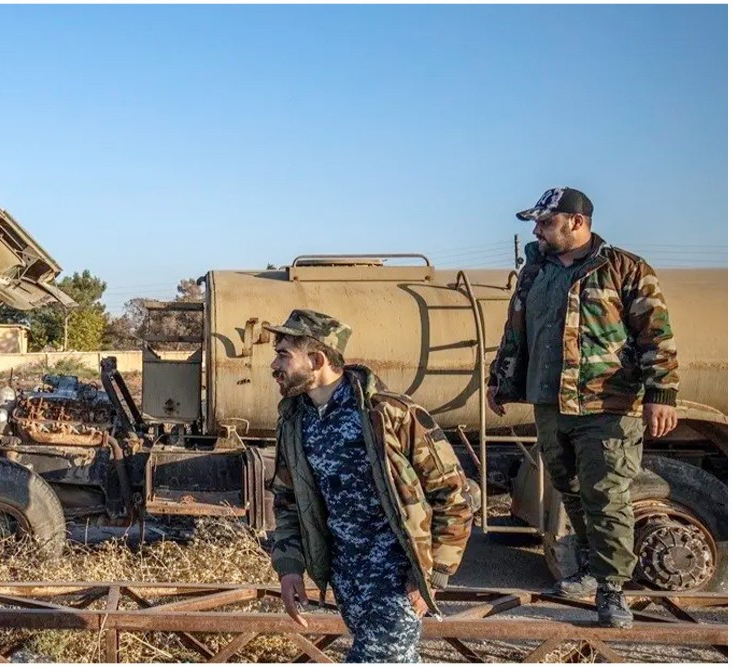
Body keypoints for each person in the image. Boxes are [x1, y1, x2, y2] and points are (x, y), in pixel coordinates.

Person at [487, 187, 679, 628]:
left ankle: (613, 590)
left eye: (545, 222)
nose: (536, 230)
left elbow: (656, 335)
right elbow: (516, 329)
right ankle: (592, 571)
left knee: (607, 496)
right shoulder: (535, 270)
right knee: (569, 487)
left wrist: (661, 394)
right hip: (550, 400)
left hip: (608, 405)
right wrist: (500, 379)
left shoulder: (625, 269)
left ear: (576, 222)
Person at [268, 309, 473, 663]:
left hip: (398, 578)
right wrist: (290, 567)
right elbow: (288, 501)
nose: (274, 364)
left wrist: (435, 574)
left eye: (284, 354)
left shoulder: (390, 414)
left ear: (317, 359)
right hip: (346, 577)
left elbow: (453, 493)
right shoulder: (294, 421)